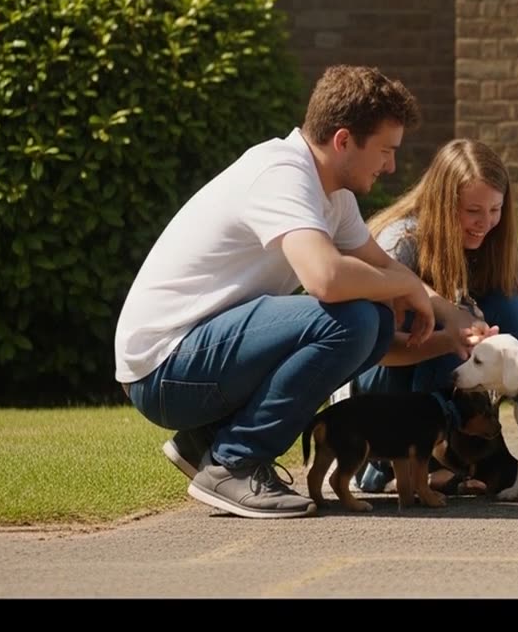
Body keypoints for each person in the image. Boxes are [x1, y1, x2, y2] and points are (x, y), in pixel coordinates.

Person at [114, 65, 436, 519]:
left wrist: (460, 322)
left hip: (192, 361)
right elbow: (326, 279)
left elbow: (383, 268)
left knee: (377, 324)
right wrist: (404, 285)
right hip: (163, 370)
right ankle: (235, 462)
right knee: (355, 320)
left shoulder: (334, 196)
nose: (391, 166)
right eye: (386, 151)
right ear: (343, 140)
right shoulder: (282, 174)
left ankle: (207, 440)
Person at [334, 137, 518, 492]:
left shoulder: (497, 243)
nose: (485, 222)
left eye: (495, 209)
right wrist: (449, 338)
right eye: (473, 211)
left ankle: (464, 453)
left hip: (437, 375)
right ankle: (398, 462)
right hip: (378, 395)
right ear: (442, 204)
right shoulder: (402, 241)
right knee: (444, 322)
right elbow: (376, 347)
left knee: (507, 305)